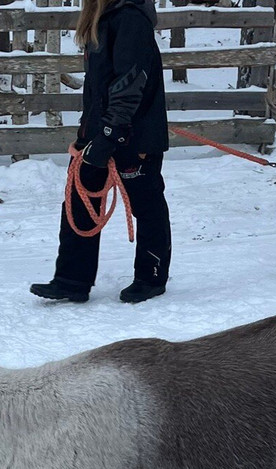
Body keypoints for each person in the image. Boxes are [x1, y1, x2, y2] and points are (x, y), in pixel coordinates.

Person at [30, 0, 172, 304]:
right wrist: (89, 132)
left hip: (132, 135)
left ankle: (152, 276)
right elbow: (100, 86)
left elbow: (130, 82)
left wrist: (111, 134)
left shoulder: (131, 18)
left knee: (145, 205)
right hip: (101, 130)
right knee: (78, 200)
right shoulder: (104, 16)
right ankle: (71, 280)